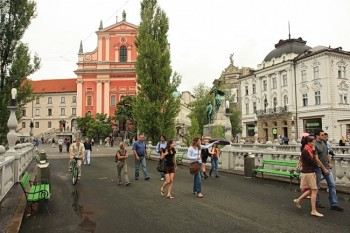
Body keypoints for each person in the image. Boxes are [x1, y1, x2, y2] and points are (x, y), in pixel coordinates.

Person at [293, 136, 324, 217]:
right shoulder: (306, 151)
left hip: (310, 172)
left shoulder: (308, 150)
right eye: (312, 142)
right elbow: (312, 162)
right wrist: (314, 152)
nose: (314, 144)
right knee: (314, 190)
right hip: (308, 173)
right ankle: (313, 210)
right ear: (308, 143)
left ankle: (298, 200)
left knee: (311, 190)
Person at [314, 130, 344, 211]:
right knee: (317, 186)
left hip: (326, 166)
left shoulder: (324, 142)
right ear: (317, 136)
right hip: (318, 168)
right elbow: (316, 159)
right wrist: (324, 168)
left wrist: (330, 163)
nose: (324, 136)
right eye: (322, 135)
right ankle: (317, 202)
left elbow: (326, 154)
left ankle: (334, 204)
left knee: (332, 184)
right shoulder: (315, 145)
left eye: (324, 135)